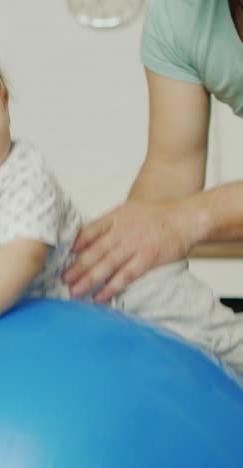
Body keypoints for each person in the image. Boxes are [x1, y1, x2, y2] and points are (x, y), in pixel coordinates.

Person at [0, 19, 243, 388]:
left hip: (123, 286)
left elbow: (20, 259)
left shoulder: (21, 173)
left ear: (4, 105)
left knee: (218, 340)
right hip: (60, 322)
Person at [63, 0, 243, 303]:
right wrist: (112, 265)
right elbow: (172, 168)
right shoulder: (179, 11)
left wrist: (183, 222)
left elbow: (176, 218)